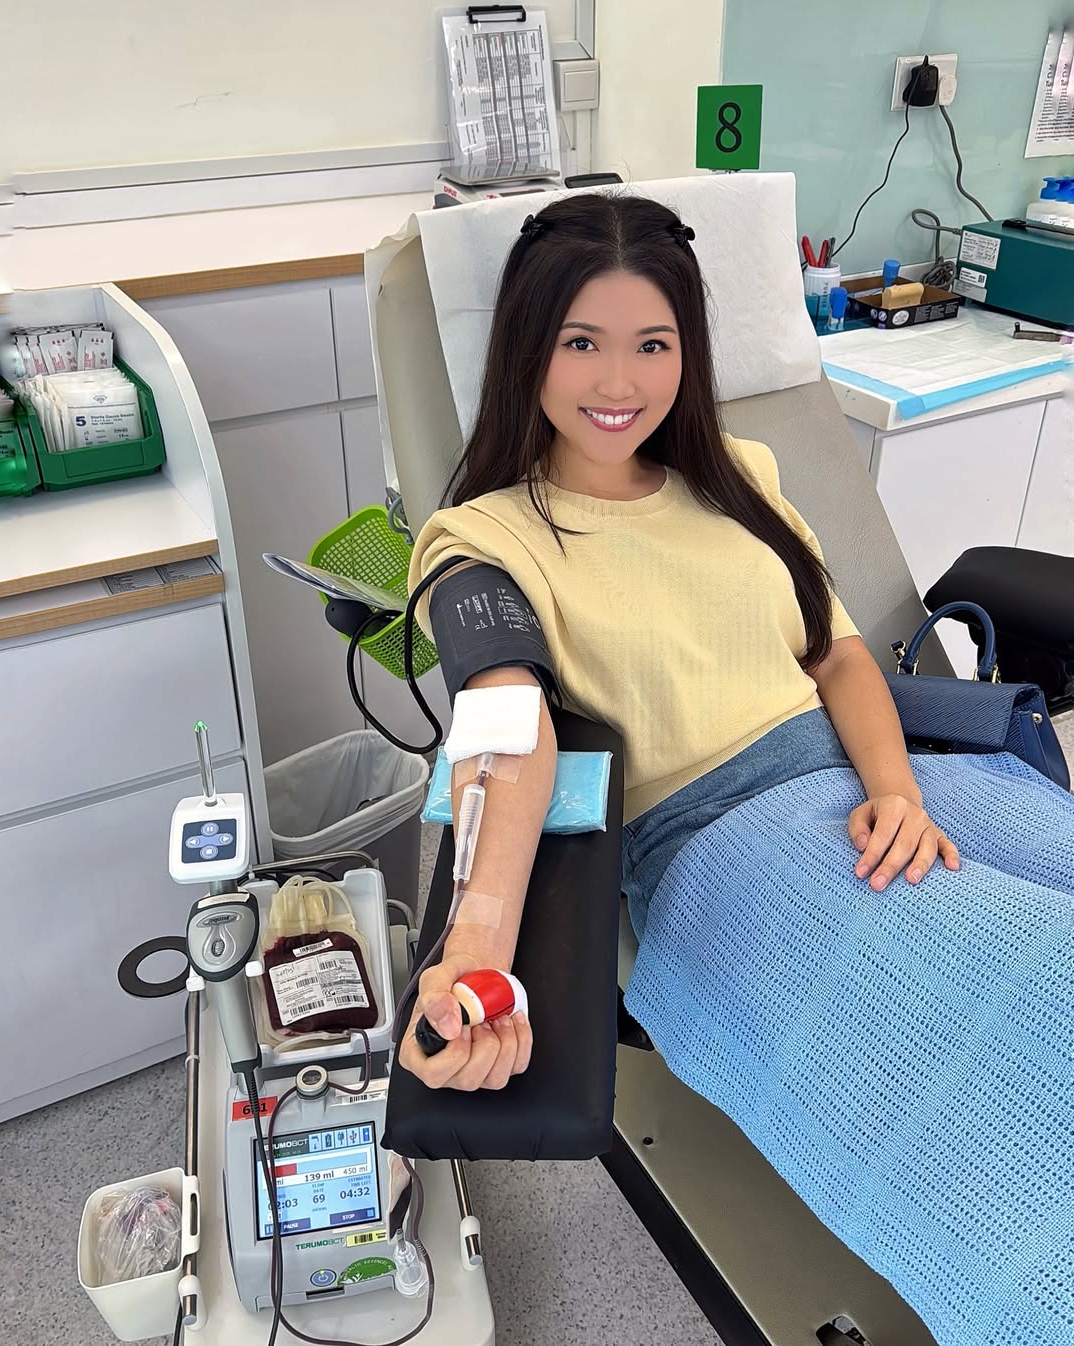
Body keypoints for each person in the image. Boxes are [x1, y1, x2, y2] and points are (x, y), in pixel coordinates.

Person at [395, 192, 1045, 1093]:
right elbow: (506, 725)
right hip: (723, 848)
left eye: (652, 345)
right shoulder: (484, 540)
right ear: (525, 348)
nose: (619, 385)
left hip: (874, 784)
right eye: (580, 342)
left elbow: (840, 656)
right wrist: (476, 947)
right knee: (1032, 995)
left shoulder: (743, 477)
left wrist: (897, 794)